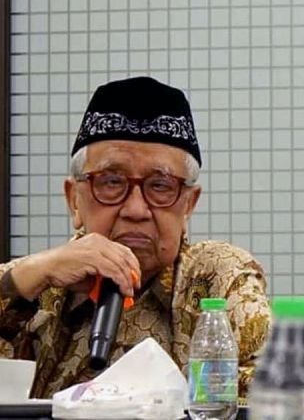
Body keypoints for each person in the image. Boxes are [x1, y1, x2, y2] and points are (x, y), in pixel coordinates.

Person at [0, 76, 270, 399]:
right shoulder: (37, 283)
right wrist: (24, 278)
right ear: (74, 200)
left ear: (188, 205)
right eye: (112, 182)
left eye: (160, 186)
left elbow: (272, 393)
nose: (136, 209)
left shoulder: (218, 277)